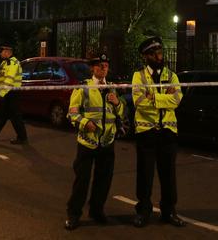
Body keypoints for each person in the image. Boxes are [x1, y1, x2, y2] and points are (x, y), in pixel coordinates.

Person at [131, 36, 186, 228]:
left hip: (168, 132)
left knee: (168, 175)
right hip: (146, 133)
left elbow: (177, 100)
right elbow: (139, 102)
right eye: (155, 53)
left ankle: (169, 211)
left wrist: (153, 97)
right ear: (146, 56)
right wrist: (163, 98)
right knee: (145, 175)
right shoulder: (139, 76)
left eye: (160, 52)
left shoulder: (172, 76)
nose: (159, 56)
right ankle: (143, 211)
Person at [64, 53, 123, 231]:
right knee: (82, 181)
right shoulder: (84, 87)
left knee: (103, 180)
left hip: (107, 141)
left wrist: (117, 102)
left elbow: (120, 114)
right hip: (87, 142)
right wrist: (85, 122)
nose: (103, 68)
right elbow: (72, 113)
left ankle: (97, 211)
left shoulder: (112, 88)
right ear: (92, 68)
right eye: (99, 66)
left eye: (105, 65)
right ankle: (73, 214)